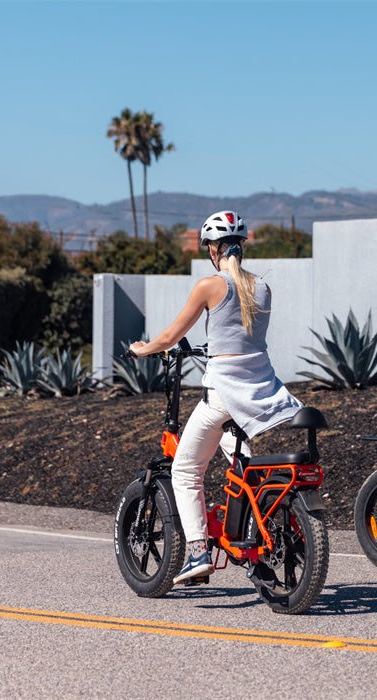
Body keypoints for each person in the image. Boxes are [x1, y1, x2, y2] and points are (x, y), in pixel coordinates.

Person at [129, 210, 303, 583]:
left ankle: (196, 554)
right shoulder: (262, 287)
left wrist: (144, 350)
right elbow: (241, 338)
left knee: (186, 471)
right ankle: (255, 532)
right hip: (259, 392)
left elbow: (170, 337)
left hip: (224, 395)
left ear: (212, 248)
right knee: (239, 461)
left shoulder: (210, 286)